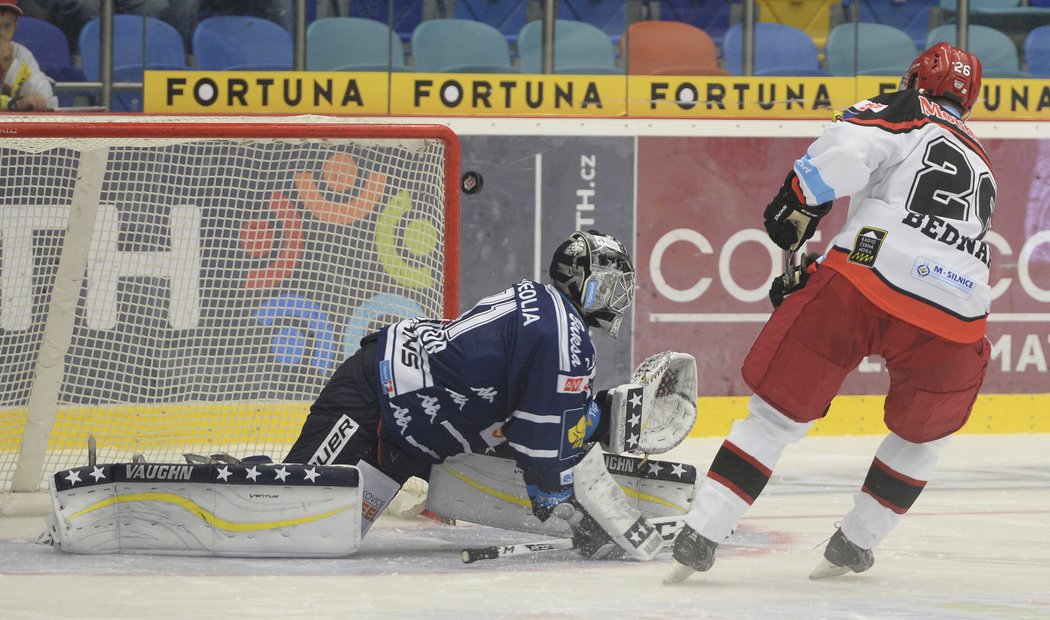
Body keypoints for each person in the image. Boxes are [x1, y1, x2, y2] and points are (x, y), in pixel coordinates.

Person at [665, 42, 995, 583]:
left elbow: (845, 152)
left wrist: (800, 198)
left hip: (863, 282)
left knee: (774, 416)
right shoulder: (982, 159)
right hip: (957, 313)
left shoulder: (904, 108)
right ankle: (856, 543)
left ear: (914, 77)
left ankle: (701, 531)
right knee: (922, 437)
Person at [285, 229, 664, 560]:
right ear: (579, 281)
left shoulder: (549, 312)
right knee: (294, 521)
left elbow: (528, 417)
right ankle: (226, 471)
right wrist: (572, 514)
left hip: (418, 434)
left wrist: (596, 418)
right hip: (377, 400)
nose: (617, 298)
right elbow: (539, 446)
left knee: (328, 532)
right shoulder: (564, 340)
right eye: (609, 285)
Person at [0, 0, 56, 110]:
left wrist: (11, 66)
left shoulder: (20, 53)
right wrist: (15, 104)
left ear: (15, 28)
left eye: (7, 25)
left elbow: (45, 96)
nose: (1, 32)